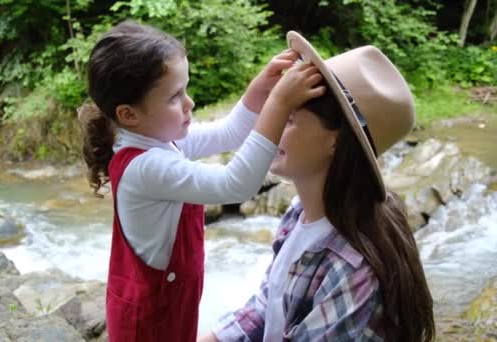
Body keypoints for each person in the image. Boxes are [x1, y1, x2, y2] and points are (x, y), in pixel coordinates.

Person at [78, 21, 325, 342]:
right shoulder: (146, 166)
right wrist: (279, 104)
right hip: (148, 319)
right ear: (129, 115)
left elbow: (228, 133)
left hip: (168, 301)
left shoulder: (159, 139)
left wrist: (259, 91)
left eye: (186, 89)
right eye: (174, 96)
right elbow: (235, 184)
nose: (189, 103)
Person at [199, 31, 435, 342]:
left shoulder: (353, 269)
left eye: (289, 119)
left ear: (335, 141)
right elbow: (266, 308)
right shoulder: (301, 212)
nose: (268, 127)